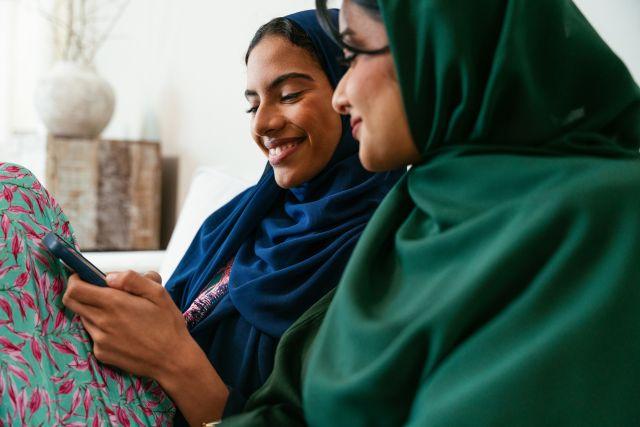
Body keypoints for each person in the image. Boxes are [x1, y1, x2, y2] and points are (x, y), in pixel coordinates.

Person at [221, 0, 640, 425]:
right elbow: (286, 406)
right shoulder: (413, 214)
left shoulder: (606, 218)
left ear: (444, 47)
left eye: (354, 56)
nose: (342, 96)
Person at [0, 9, 402, 426]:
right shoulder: (239, 218)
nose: (263, 123)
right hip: (123, 396)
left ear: (345, 91)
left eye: (288, 96)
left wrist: (172, 357)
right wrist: (143, 308)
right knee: (10, 197)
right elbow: (173, 322)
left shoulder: (384, 253)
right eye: (252, 106)